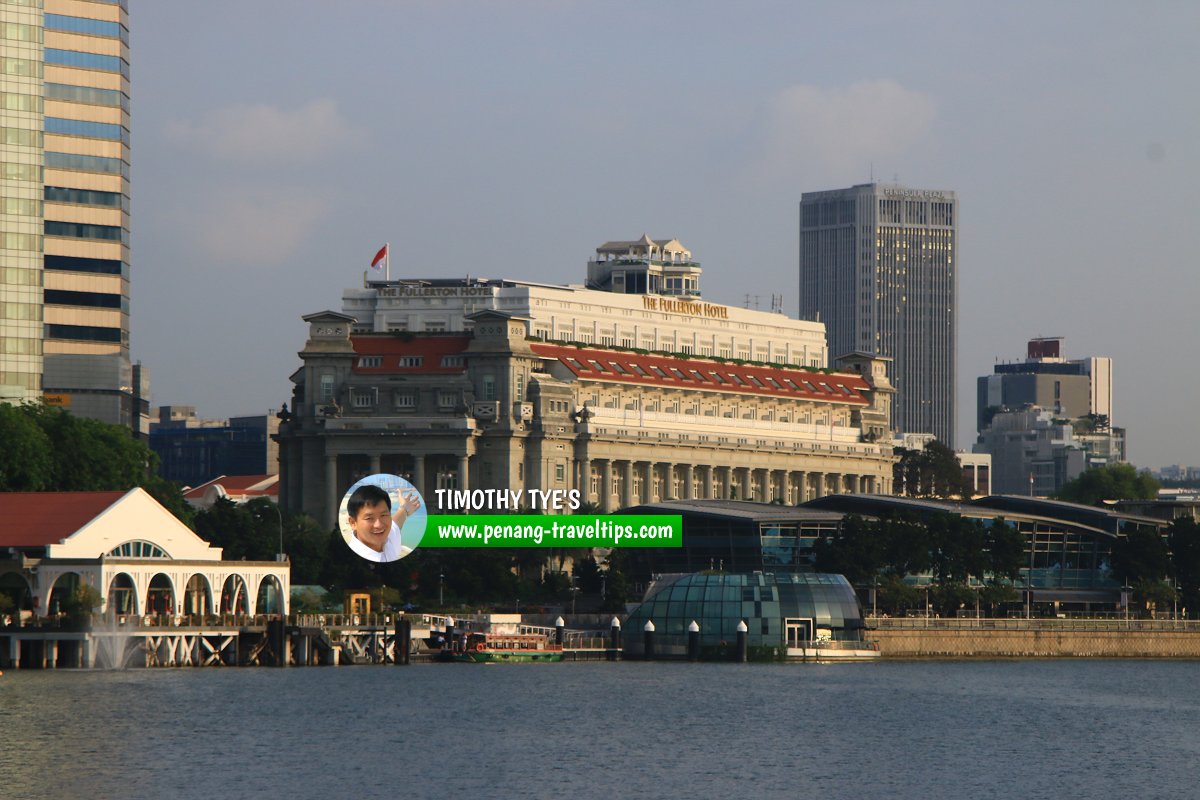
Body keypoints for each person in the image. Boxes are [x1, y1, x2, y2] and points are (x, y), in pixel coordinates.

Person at [344, 483, 422, 562]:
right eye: (369, 518)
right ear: (353, 523)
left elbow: (396, 523)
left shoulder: (388, 539)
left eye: (383, 515)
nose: (379, 525)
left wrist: (404, 509)